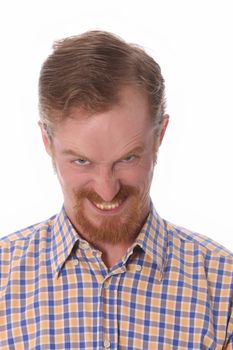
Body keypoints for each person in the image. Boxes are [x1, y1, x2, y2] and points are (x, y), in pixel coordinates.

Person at [0, 30, 232, 350]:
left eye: (127, 158)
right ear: (47, 142)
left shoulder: (223, 286)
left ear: (159, 136)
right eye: (82, 161)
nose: (107, 190)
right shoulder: (3, 277)